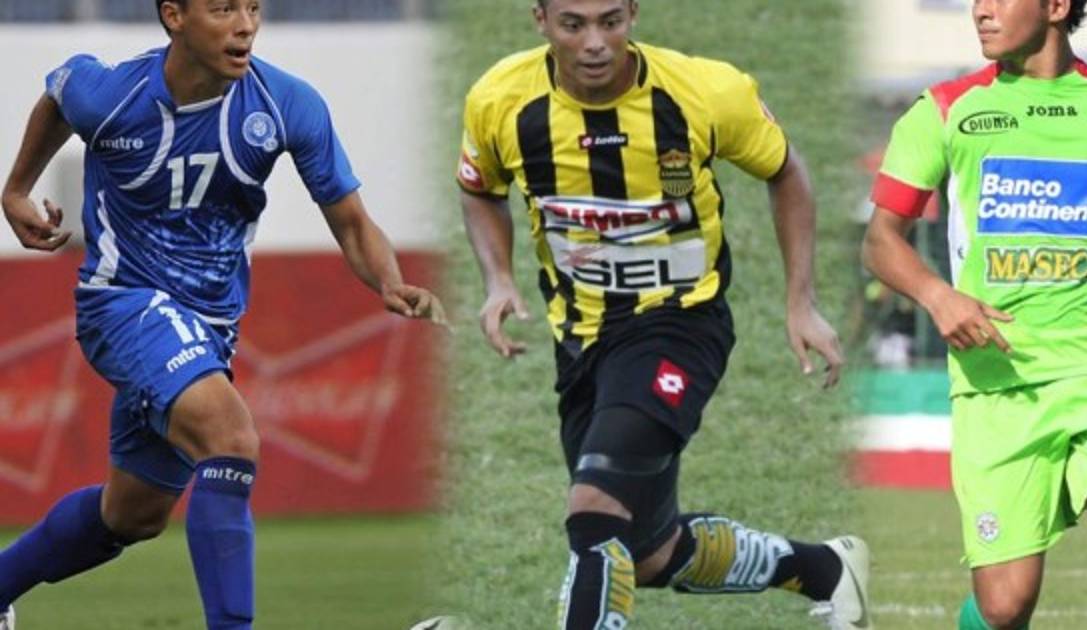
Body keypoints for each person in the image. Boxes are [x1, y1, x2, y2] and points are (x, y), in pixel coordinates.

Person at [0, 1, 444, 628]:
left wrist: (391, 281)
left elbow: (351, 221)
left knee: (132, 514)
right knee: (230, 438)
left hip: (207, 327)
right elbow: (59, 93)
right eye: (223, 8)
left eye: (253, 7)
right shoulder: (113, 95)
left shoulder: (286, 104)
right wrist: (17, 189)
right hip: (121, 303)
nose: (245, 24)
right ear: (174, 16)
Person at [456, 0, 870, 627]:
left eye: (610, 21)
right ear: (540, 20)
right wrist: (498, 280)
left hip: (681, 326)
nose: (595, 42)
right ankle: (826, 570)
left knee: (594, 510)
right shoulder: (500, 100)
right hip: (582, 341)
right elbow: (479, 189)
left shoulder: (702, 92)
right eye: (573, 24)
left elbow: (786, 171)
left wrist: (800, 302)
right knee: (646, 554)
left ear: (633, 13)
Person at [863, 1, 1087, 628]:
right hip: (1000, 387)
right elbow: (881, 240)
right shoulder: (944, 110)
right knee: (1005, 605)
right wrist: (939, 296)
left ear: (1056, 6)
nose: (981, 11)